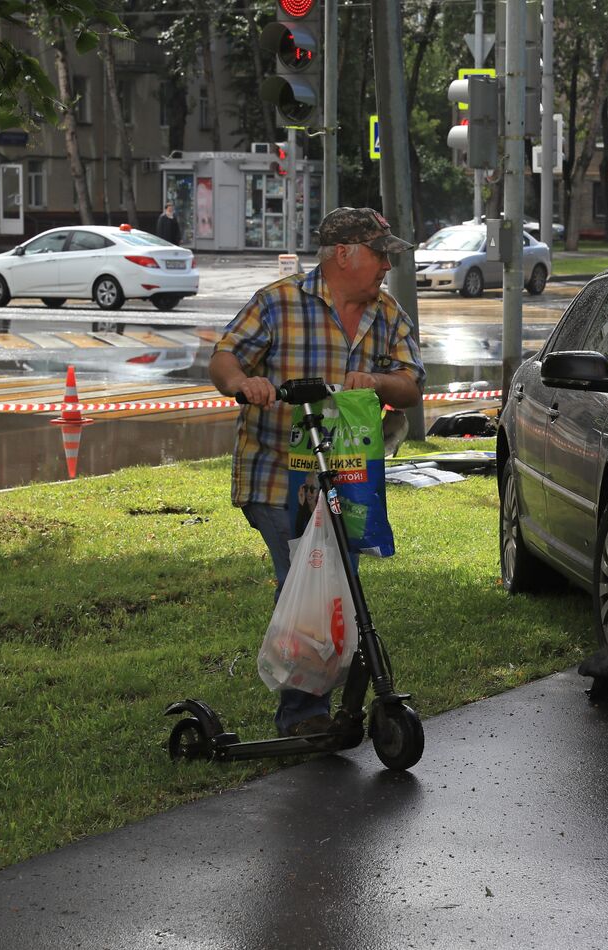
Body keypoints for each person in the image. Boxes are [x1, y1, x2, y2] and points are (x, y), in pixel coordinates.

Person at [210, 207, 426, 738]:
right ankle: (303, 717)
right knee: (306, 585)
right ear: (345, 254)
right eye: (380, 255)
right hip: (278, 474)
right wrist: (246, 383)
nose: (386, 267)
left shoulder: (387, 311)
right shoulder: (279, 302)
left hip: (345, 475)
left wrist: (376, 382)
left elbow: (412, 383)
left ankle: (336, 705)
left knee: (338, 588)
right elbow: (223, 360)